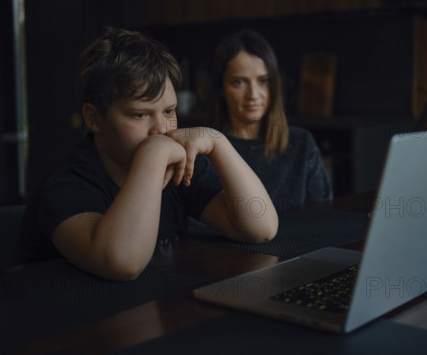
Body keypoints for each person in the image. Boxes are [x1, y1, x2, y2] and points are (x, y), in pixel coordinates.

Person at [20, 27, 278, 281]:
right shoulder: (65, 187)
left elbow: (260, 228)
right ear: (94, 118)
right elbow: (121, 262)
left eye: (169, 112)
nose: (161, 130)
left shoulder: (178, 169)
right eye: (140, 114)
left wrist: (217, 142)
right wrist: (153, 154)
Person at [207, 29, 332, 210]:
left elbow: (325, 215)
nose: (253, 94)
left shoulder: (301, 143)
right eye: (239, 82)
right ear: (221, 89)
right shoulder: (205, 151)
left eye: (263, 80)